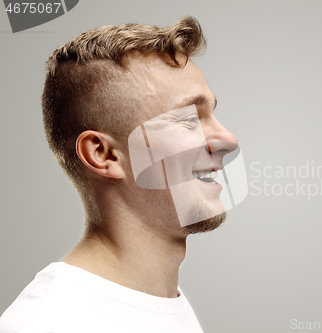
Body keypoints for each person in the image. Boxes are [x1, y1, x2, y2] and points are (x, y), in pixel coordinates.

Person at [0, 16, 238, 333]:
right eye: (189, 119)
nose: (228, 140)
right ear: (104, 154)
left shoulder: (158, 301)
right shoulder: (48, 322)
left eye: (211, 113)